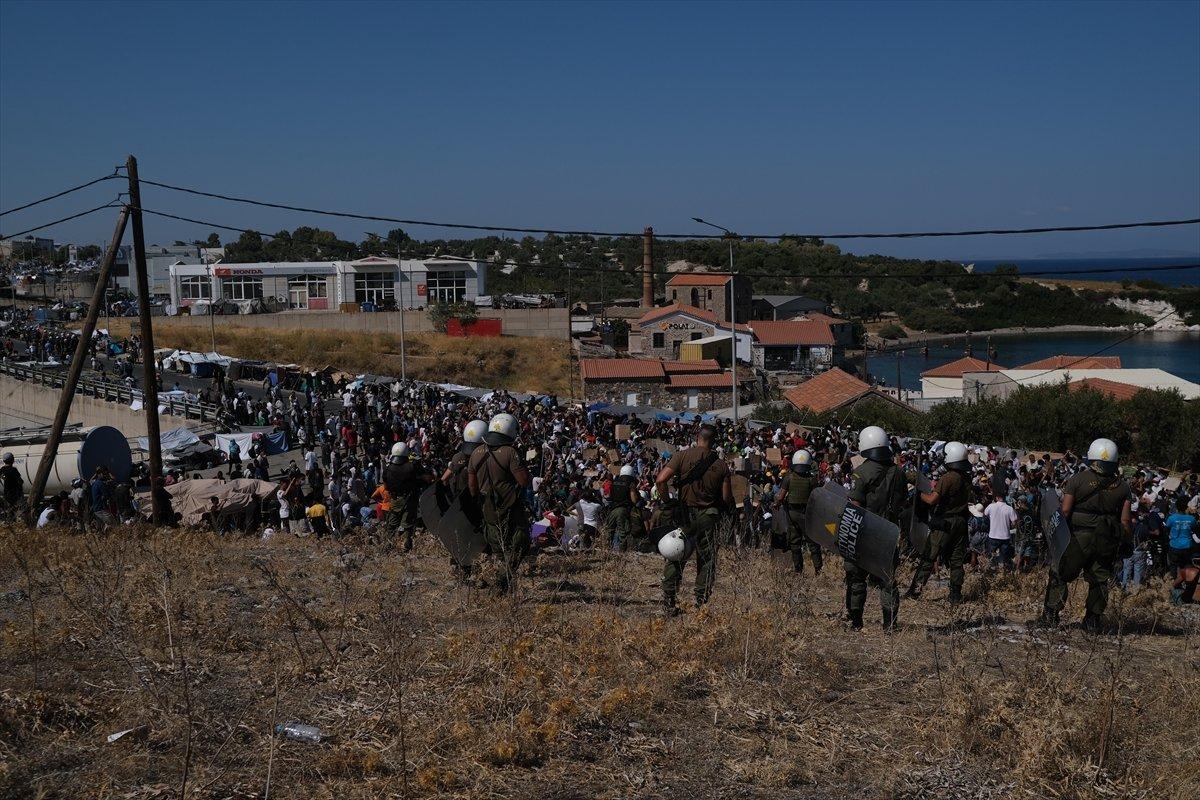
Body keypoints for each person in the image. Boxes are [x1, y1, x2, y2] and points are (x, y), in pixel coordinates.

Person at [1038, 438, 1132, 631]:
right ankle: (1092, 621)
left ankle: (1051, 616)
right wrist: (1124, 542)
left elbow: (1064, 511)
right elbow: (1125, 521)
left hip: (1078, 537)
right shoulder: (1123, 487)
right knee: (1099, 580)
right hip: (1105, 539)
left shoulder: (1077, 480)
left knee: (1059, 573)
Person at [654, 424, 732, 616]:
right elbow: (727, 498)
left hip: (685, 514)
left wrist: (667, 501)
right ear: (714, 441)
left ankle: (669, 600)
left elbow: (660, 480)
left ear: (698, 437)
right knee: (706, 560)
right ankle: (700, 603)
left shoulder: (682, 456)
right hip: (709, 515)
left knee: (676, 553)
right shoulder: (721, 465)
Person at [845, 426, 906, 631]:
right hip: (889, 533)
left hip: (865, 532)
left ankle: (856, 622)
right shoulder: (899, 473)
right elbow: (903, 503)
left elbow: (855, 506)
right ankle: (890, 625)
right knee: (887, 580)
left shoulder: (861, 472)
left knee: (857, 579)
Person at [468, 413, 531, 594]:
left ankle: (500, 581)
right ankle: (503, 580)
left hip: (486, 506)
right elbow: (523, 481)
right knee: (520, 541)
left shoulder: (476, 453)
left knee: (498, 547)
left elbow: (472, 487)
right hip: (509, 505)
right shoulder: (510, 452)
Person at [909, 441, 973, 605]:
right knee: (956, 561)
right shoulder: (966, 478)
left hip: (945, 521)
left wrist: (918, 494)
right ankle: (955, 595)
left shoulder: (948, 477)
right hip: (961, 521)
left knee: (929, 557)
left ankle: (915, 591)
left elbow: (932, 500)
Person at [776, 449, 821, 575]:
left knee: (795, 543)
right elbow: (816, 498)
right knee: (812, 543)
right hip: (807, 515)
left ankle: (798, 570)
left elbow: (780, 497)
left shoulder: (788, 477)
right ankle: (818, 569)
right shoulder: (812, 480)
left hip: (792, 514)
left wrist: (776, 504)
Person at [383, 442, 432, 551]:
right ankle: (406, 547)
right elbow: (426, 478)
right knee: (407, 525)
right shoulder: (412, 467)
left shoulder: (388, 468)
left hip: (395, 499)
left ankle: (386, 546)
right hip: (409, 499)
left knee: (392, 524)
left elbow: (386, 486)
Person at [1165, 496, 1197, 605]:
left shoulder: (1171, 518)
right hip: (1187, 547)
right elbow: (1194, 529)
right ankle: (1184, 593)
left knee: (1173, 569)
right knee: (1186, 569)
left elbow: (1167, 528)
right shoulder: (1191, 519)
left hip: (1174, 546)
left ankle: (1173, 592)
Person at [607, 465, 639, 551]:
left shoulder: (614, 482)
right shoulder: (631, 483)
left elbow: (610, 496)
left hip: (612, 510)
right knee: (622, 533)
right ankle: (622, 553)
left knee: (609, 532)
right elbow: (634, 500)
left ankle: (606, 551)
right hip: (623, 510)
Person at [983, 493, 1017, 571]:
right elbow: (1014, 522)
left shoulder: (991, 506)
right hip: (1005, 536)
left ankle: (992, 570)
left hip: (993, 535)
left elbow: (984, 514)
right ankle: (1002, 571)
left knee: (992, 556)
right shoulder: (1009, 508)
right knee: (1003, 556)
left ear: (997, 498)